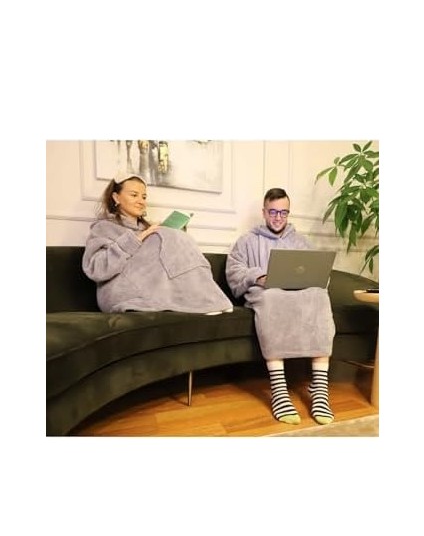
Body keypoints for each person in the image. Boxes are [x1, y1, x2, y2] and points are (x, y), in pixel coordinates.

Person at [225, 188, 335, 425]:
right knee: (272, 297)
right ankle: (279, 390)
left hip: (297, 293)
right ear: (264, 212)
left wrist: (312, 278)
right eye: (273, 212)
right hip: (265, 293)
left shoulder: (301, 242)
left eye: (283, 212)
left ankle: (320, 390)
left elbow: (319, 273)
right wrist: (258, 276)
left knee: (319, 295)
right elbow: (234, 271)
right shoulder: (246, 241)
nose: (278, 217)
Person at [82, 172, 233, 315]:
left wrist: (169, 234)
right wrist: (137, 239)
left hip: (152, 287)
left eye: (144, 196)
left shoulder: (147, 227)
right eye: (134, 195)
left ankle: (204, 299)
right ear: (116, 197)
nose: (141, 201)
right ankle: (205, 301)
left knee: (172, 235)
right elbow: (96, 269)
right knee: (164, 235)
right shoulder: (103, 227)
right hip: (119, 291)